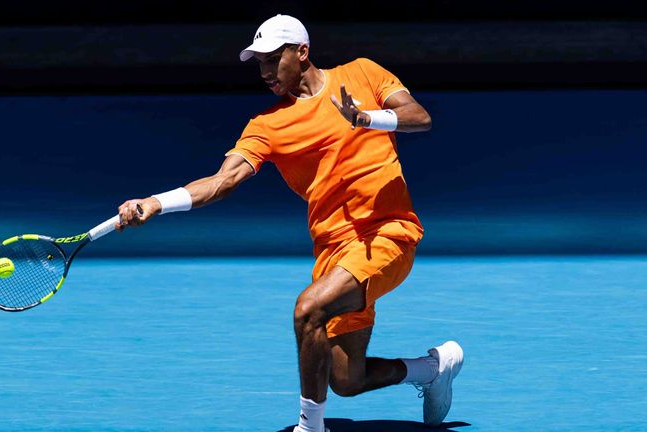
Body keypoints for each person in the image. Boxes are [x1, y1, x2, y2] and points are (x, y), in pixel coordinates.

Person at [116, 14, 464, 431]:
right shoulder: (267, 126)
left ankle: (309, 426)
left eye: (272, 59)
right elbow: (222, 181)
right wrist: (156, 202)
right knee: (346, 380)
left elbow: (419, 117)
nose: (265, 71)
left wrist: (368, 119)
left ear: (302, 52)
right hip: (333, 252)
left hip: (387, 234)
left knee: (308, 309)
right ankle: (432, 369)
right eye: (259, 63)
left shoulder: (362, 73)